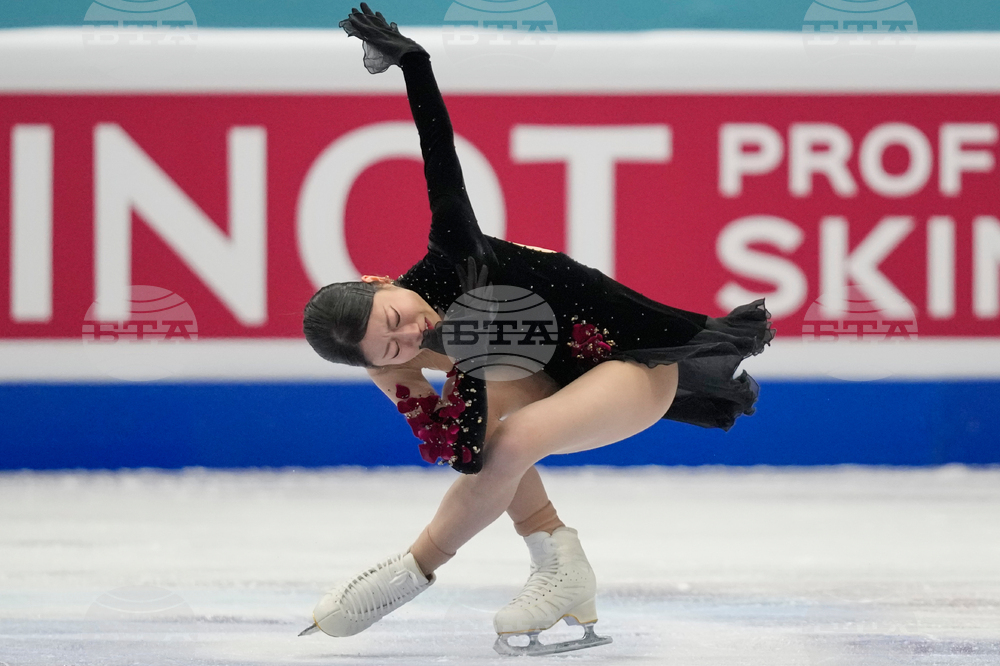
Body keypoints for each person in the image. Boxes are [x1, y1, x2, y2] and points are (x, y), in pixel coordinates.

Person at [299, 4, 775, 656]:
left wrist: (413, 62)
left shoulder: (454, 255)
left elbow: (437, 151)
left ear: (384, 282)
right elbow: (460, 445)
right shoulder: (394, 366)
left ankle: (407, 575)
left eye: (396, 319)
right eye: (391, 349)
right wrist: (436, 378)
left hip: (635, 366)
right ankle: (559, 560)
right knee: (496, 431)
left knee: (513, 433)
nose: (410, 337)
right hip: (549, 379)